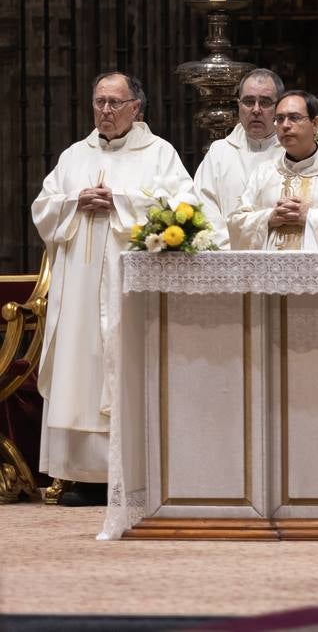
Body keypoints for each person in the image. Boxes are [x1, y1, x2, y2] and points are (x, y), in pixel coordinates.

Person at [30, 72, 192, 506]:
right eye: (99, 101)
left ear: (135, 108)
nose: (105, 110)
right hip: (79, 290)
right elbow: (43, 208)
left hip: (130, 286)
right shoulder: (72, 156)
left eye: (114, 102)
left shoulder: (160, 154)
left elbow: (184, 208)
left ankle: (135, 474)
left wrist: (118, 200)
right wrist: (74, 202)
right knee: (80, 370)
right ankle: (81, 476)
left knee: (125, 365)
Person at [227, 90, 318, 250]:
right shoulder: (263, 174)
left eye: (294, 118)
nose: (285, 125)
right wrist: (269, 218)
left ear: (315, 124)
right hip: (271, 273)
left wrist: (310, 217)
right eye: (279, 119)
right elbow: (236, 223)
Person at [194, 69, 285, 247]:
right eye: (249, 101)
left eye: (265, 102)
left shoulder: (291, 153)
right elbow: (203, 208)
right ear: (239, 105)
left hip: (277, 259)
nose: (256, 110)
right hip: (224, 258)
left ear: (278, 107)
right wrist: (228, 250)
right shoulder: (219, 153)